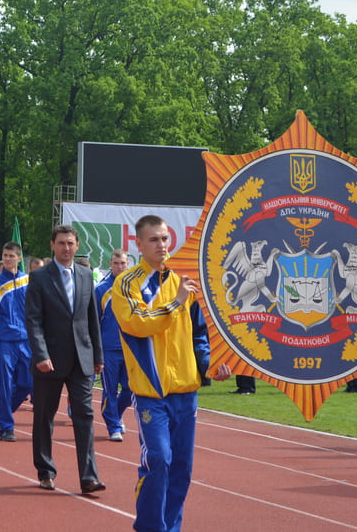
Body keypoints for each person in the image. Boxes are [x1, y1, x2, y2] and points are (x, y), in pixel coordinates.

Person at [111, 214, 229, 531]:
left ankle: (171, 527)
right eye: (154, 239)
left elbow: (199, 336)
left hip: (186, 392)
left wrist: (212, 365)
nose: (162, 245)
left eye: (165, 238)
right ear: (138, 244)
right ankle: (151, 527)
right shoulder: (126, 284)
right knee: (159, 461)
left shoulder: (184, 278)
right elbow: (138, 323)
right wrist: (176, 302)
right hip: (152, 394)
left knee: (181, 470)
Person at [25, 225, 104, 494]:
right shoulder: (39, 278)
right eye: (61, 243)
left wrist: (98, 356)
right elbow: (33, 320)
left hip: (81, 359)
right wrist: (41, 354)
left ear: (77, 245)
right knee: (44, 418)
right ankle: (46, 472)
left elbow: (92, 318)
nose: (66, 248)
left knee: (85, 416)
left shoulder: (85, 275)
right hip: (49, 360)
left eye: (70, 243)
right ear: (52, 245)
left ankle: (88, 477)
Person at [0, 242, 31, 441]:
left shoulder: (28, 281)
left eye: (11, 255)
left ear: (19, 258)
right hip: (4, 341)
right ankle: (7, 426)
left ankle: (4, 412)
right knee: (5, 385)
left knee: (28, 383)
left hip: (26, 341)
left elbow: (36, 313)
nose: (8, 259)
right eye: (5, 255)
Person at [94, 248, 132, 441]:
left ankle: (115, 415)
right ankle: (113, 426)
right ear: (110, 264)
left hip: (131, 347)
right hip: (108, 348)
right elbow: (94, 321)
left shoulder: (134, 288)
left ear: (128, 264)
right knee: (110, 389)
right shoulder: (101, 290)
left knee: (131, 388)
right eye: (116, 263)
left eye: (123, 264)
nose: (119, 267)